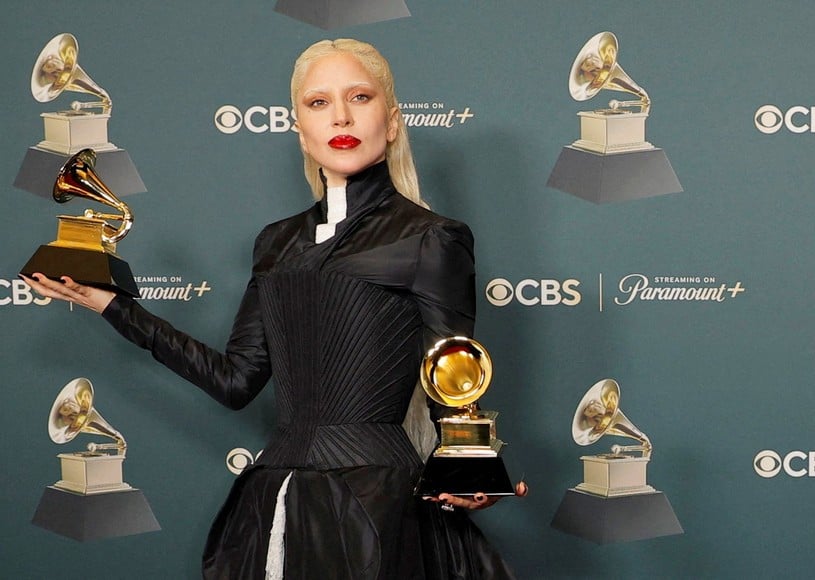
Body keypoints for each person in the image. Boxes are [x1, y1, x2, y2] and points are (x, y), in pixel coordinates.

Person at [24, 38, 526, 579]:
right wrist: (113, 306)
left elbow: (453, 376)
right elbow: (237, 380)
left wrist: (471, 470)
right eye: (318, 102)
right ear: (299, 132)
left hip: (377, 506)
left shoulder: (432, 238)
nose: (340, 115)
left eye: (359, 97)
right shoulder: (276, 243)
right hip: (272, 503)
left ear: (394, 120)